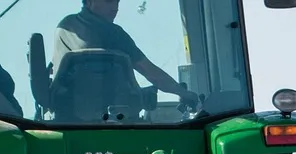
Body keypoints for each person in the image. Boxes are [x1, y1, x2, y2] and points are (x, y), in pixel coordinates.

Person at [54, 0, 198, 108]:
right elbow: (151, 73)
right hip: (114, 119)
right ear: (90, 1)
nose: (115, 7)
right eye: (108, 1)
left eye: (117, 1)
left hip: (67, 116)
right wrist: (184, 93)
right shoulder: (114, 34)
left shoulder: (64, 27)